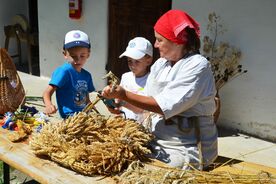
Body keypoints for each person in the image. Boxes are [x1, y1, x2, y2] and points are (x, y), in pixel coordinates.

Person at [102, 10, 217, 170]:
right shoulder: (160, 65)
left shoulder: (197, 65)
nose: (155, 45)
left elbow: (164, 106)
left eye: (159, 40)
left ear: (177, 41)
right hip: (156, 139)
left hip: (185, 144)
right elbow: (145, 107)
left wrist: (125, 94)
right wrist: (120, 101)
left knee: (160, 169)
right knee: (116, 154)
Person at [43, 30, 95, 119]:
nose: (78, 60)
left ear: (88, 54)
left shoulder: (87, 75)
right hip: (69, 118)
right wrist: (48, 105)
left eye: (82, 56)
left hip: (83, 116)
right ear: (65, 54)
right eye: (73, 56)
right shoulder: (64, 71)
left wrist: (90, 105)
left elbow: (85, 95)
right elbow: (47, 93)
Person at [117, 37, 153, 123]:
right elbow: (119, 104)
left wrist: (123, 102)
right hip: (125, 123)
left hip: (142, 127)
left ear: (148, 60)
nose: (132, 65)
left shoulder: (151, 80)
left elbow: (145, 110)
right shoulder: (125, 77)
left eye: (137, 61)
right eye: (129, 61)